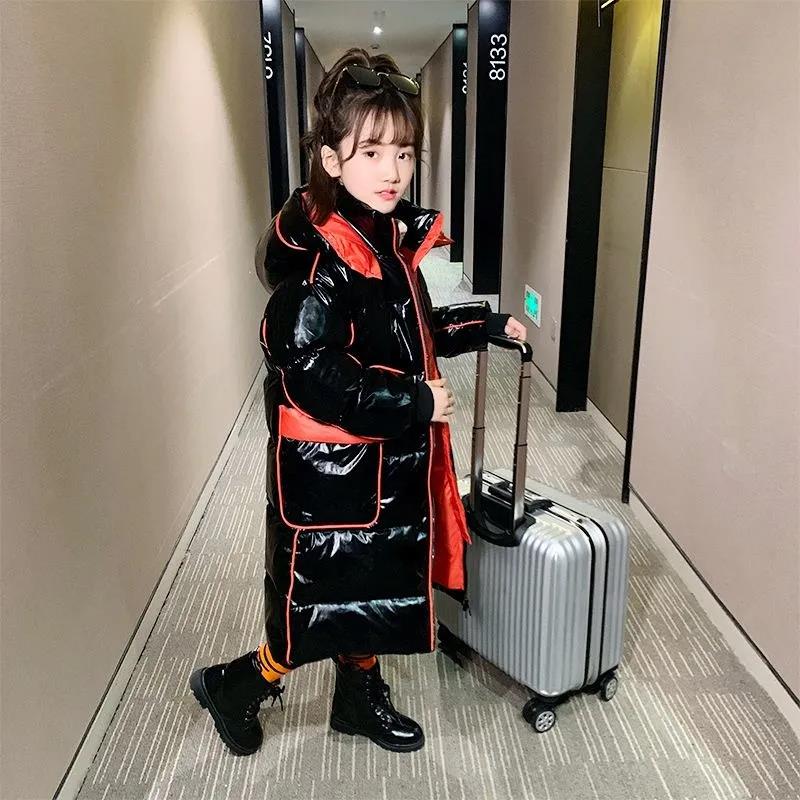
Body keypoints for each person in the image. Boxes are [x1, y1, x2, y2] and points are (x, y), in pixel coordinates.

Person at [189, 47, 527, 757]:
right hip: (332, 476)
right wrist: (413, 402)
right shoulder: (321, 261)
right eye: (371, 151)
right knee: (314, 608)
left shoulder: (385, 241)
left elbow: (412, 332)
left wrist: (484, 324)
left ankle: (356, 699)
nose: (392, 170)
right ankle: (236, 685)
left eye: (403, 152)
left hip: (376, 469)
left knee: (363, 594)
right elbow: (313, 372)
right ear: (331, 160)